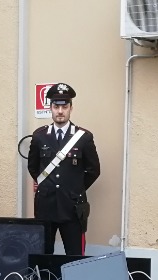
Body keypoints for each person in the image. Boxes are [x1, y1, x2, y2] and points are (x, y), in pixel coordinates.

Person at [27, 82, 100, 255]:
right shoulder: (39, 136)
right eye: (56, 106)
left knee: (74, 257)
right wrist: (47, 186)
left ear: (71, 109)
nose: (60, 111)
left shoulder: (83, 137)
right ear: (50, 108)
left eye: (64, 107)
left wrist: (74, 188)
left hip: (72, 208)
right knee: (43, 256)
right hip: (46, 207)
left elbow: (93, 170)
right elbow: (33, 167)